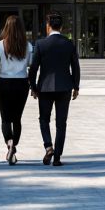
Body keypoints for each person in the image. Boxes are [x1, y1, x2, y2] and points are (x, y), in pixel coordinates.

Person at [28, 11, 79, 166]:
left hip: (45, 87)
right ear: (62, 27)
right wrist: (76, 86)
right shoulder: (69, 43)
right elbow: (75, 67)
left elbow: (33, 68)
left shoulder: (41, 44)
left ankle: (48, 146)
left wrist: (33, 86)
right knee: (61, 123)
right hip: (64, 87)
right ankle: (57, 157)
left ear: (48, 26)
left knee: (44, 119)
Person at [0, 15, 34, 165]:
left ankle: (9, 143)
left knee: (5, 118)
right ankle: (14, 145)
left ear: (6, 28)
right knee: (17, 119)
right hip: (21, 84)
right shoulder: (28, 46)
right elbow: (31, 65)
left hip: (4, 83)